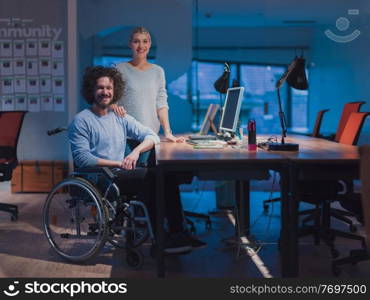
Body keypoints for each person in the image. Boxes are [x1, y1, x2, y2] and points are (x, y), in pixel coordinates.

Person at [68, 66, 206, 254]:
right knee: (153, 180)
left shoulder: (119, 117)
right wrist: (118, 163)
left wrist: (134, 153)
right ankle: (161, 240)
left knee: (167, 174)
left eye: (109, 88)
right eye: (100, 88)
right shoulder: (81, 121)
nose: (105, 92)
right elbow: (83, 159)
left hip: (119, 173)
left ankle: (177, 232)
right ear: (91, 90)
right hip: (101, 178)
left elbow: (152, 136)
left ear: (115, 90)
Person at [113, 26, 184, 143]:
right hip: (124, 135)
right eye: (136, 41)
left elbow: (161, 104)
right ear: (130, 44)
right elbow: (110, 101)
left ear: (150, 44)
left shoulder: (158, 71)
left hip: (150, 136)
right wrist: (114, 106)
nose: (141, 46)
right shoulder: (119, 69)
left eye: (145, 41)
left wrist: (167, 132)